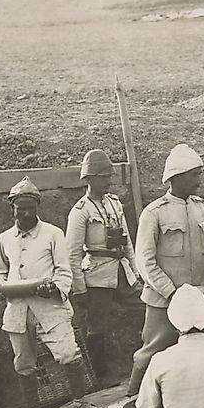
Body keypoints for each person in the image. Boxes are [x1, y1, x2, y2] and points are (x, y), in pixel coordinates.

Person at [0, 176, 97, 408]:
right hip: (18, 310)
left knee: (68, 353)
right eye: (21, 208)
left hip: (50, 306)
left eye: (31, 208)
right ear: (12, 208)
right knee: (23, 363)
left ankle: (80, 401)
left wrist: (55, 288)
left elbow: (64, 271)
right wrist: (1, 286)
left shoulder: (52, 234)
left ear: (38, 208)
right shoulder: (5, 239)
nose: (27, 213)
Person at [128, 144, 204, 396]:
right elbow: (145, 262)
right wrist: (172, 293)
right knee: (152, 351)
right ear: (176, 177)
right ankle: (134, 400)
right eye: (193, 175)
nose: (198, 181)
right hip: (164, 301)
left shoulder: (203, 209)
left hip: (201, 298)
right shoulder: (154, 213)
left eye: (199, 174)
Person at [66, 149, 140, 380]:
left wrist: (136, 273)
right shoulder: (81, 211)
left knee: (146, 306)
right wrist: (79, 289)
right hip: (97, 274)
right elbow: (72, 254)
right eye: (103, 177)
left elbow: (127, 242)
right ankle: (100, 377)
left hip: (122, 271)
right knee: (96, 327)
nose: (109, 180)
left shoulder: (115, 204)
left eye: (109, 176)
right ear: (89, 179)